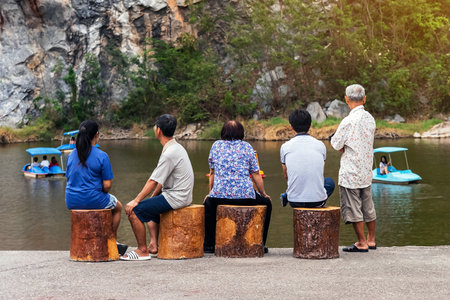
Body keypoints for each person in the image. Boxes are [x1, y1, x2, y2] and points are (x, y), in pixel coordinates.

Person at [122, 114, 194, 261]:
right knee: (151, 205)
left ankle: (142, 250)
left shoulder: (170, 153)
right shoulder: (175, 147)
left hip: (177, 197)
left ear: (158, 130)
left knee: (134, 211)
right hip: (180, 195)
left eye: (155, 126)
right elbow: (161, 179)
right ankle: (154, 245)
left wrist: (136, 201)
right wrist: (154, 196)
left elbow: (152, 181)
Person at [203, 120, 272, 253]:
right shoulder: (246, 147)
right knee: (267, 204)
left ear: (223, 133)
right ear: (241, 133)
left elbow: (212, 173)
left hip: (219, 197)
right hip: (245, 196)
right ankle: (261, 243)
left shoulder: (216, 146)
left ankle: (209, 245)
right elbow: (256, 174)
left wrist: (211, 192)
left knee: (208, 205)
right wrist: (263, 194)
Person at [65, 120, 127, 255]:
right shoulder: (102, 155)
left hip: (71, 200)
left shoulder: (71, 155)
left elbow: (69, 178)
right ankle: (112, 240)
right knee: (118, 207)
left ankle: (88, 242)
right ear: (96, 135)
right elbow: (107, 185)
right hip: (93, 199)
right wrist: (100, 191)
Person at [331, 84, 377, 252]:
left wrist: (343, 146)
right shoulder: (370, 118)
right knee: (368, 206)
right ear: (364, 99)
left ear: (346, 99)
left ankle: (361, 242)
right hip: (366, 171)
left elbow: (336, 144)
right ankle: (371, 240)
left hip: (351, 172)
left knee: (353, 207)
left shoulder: (348, 121)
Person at [280, 109, 335, 208]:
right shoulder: (320, 145)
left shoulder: (285, 147)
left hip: (294, 201)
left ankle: (287, 194)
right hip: (317, 201)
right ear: (310, 125)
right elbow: (320, 173)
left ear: (291, 127)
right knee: (329, 182)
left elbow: (286, 175)